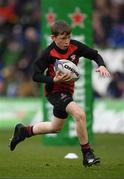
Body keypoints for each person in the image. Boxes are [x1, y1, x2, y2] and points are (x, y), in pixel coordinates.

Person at [9, 20, 110, 167]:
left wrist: (101, 65)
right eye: (63, 38)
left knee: (55, 127)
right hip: (54, 92)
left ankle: (23, 131)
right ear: (53, 38)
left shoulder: (75, 46)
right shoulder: (48, 53)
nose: (67, 41)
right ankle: (87, 154)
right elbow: (35, 75)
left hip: (68, 92)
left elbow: (94, 55)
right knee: (80, 114)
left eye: (68, 37)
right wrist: (53, 79)